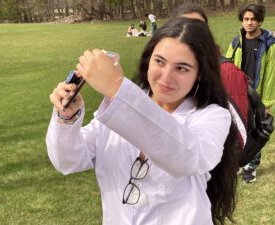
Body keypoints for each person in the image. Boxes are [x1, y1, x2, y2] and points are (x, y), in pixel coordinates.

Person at [46, 17, 238, 225]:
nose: (166, 77)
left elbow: (190, 158)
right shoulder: (119, 108)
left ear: (199, 73)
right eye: (159, 61)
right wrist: (66, 117)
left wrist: (117, 91)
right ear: (148, 60)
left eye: (182, 68)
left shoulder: (212, 116)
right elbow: (68, 160)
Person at [226, 3, 275, 183]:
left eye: (253, 19)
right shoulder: (237, 40)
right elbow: (227, 64)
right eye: (246, 19)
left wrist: (267, 101)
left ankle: (251, 167)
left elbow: (271, 74)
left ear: (260, 21)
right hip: (237, 92)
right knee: (236, 130)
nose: (249, 23)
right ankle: (237, 163)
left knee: (254, 130)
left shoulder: (269, 44)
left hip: (257, 95)